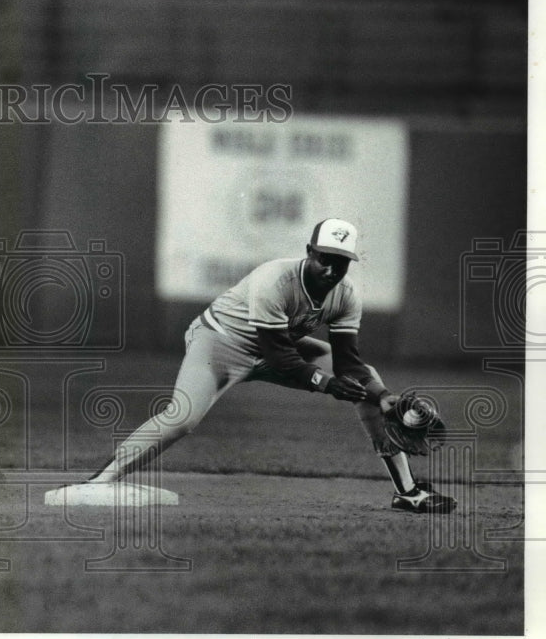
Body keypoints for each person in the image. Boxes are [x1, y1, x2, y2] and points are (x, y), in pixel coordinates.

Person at [86, 218, 456, 513]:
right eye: (324, 257)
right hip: (220, 343)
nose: (331, 268)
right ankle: (100, 481)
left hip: (281, 347)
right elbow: (279, 355)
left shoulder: (346, 295)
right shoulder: (275, 279)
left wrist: (383, 397)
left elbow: (348, 360)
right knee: (183, 417)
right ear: (309, 251)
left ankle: (407, 492)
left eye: (340, 262)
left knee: (369, 382)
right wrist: (327, 384)